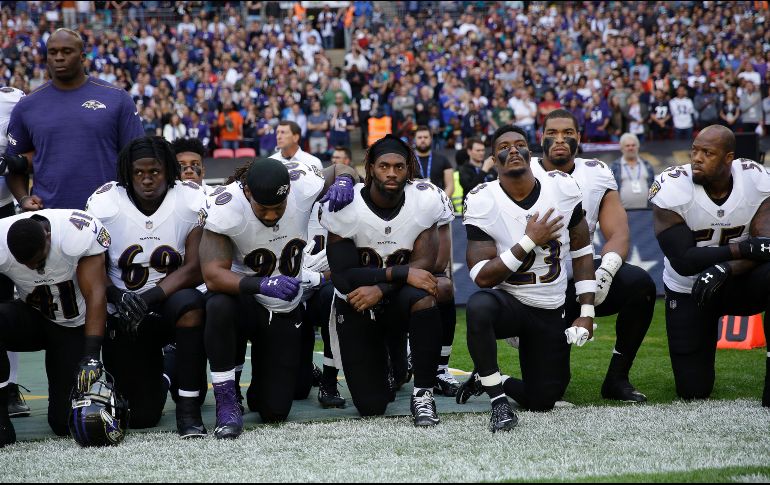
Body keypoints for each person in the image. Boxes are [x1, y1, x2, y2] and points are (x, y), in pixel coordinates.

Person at [199, 157, 357, 439]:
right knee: (218, 304)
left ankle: (259, 389)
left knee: (274, 411)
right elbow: (212, 274)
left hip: (283, 304)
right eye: (264, 208)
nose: (272, 216)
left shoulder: (304, 184)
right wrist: (260, 283)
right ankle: (227, 401)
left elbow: (341, 169)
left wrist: (345, 180)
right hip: (245, 298)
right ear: (247, 193)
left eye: (278, 208)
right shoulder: (227, 205)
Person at [460, 124, 595, 432]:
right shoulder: (484, 199)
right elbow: (481, 276)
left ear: (530, 153)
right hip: (511, 303)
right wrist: (528, 240)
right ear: (495, 161)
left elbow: (582, 249)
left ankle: (490, 378)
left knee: (544, 398)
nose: (513, 150)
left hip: (550, 308)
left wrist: (586, 311)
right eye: (503, 147)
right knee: (479, 306)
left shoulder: (561, 187)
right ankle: (498, 403)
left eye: (519, 144)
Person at [85, 136, 208, 438]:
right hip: (125, 311)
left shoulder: (189, 200)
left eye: (154, 171)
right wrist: (119, 295)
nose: (147, 179)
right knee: (142, 417)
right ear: (127, 173)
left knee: (192, 304)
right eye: (139, 172)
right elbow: (92, 269)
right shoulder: (105, 203)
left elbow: (194, 268)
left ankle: (188, 411)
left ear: (168, 170)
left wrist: (151, 296)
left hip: (168, 302)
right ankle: (165, 372)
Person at [528, 111, 655, 402]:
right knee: (550, 389)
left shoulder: (596, 172)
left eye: (568, 133)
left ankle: (617, 378)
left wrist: (606, 271)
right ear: (541, 137)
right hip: (538, 281)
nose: (560, 139)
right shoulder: (525, 170)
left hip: (583, 273)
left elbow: (619, 232)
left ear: (579, 137)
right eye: (553, 133)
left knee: (640, 284)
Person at [321, 134, 446, 426]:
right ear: (371, 167)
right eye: (384, 166)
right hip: (356, 302)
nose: (392, 173)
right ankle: (392, 358)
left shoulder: (424, 199)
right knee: (371, 406)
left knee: (426, 296)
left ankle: (424, 396)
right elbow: (343, 275)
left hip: (397, 298)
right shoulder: (347, 205)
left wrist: (381, 287)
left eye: (399, 167)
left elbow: (425, 264)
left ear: (409, 169)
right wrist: (398, 273)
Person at [650, 124, 770, 406]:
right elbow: (684, 261)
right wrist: (740, 248)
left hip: (741, 280)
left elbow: (766, 247)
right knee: (693, 390)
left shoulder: (755, 180)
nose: (696, 158)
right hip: (690, 288)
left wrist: (726, 268)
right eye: (694, 150)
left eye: (707, 152)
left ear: (728, 158)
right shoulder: (672, 186)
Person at [0, 209, 111, 446]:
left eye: (39, 261)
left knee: (64, 423)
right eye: (26, 265)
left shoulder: (75, 233)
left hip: (72, 325)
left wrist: (91, 354)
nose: (35, 269)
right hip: (33, 316)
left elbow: (96, 294)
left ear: (48, 236)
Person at [5, 28, 144, 211]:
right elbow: (12, 164)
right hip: (51, 216)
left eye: (67, 51)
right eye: (53, 52)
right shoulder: (27, 106)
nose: (59, 57)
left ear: (82, 57)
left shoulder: (116, 98)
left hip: (108, 214)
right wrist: (23, 198)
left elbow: (139, 158)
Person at [0, 86, 30, 418]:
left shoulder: (13, 99)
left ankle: (9, 387)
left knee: (5, 299)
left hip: (3, 210)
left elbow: (33, 145)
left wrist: (17, 161)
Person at [610, 133, 656, 210]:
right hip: (622, 213)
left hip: (646, 212)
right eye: (627, 146)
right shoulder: (614, 167)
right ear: (621, 148)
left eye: (633, 145)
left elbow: (653, 189)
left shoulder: (647, 165)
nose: (631, 148)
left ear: (638, 147)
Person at [414, 126, 454, 199]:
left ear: (431, 139)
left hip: (438, 202)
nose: (423, 140)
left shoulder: (442, 159)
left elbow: (450, 186)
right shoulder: (407, 161)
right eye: (419, 137)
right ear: (415, 140)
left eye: (426, 137)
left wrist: (441, 202)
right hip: (415, 203)